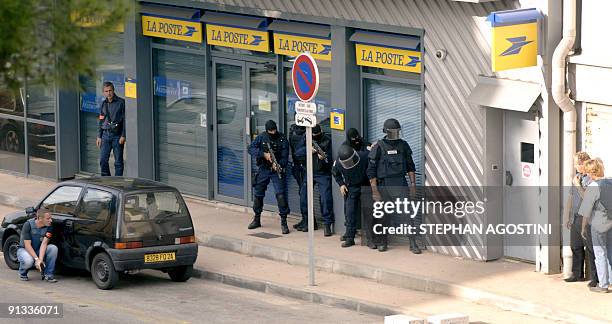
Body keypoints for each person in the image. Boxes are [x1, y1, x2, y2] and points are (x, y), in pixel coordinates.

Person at [367, 118, 418, 253]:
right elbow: (371, 172)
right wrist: (375, 191)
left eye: (397, 131)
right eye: (393, 132)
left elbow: (410, 166)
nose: (395, 134)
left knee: (408, 214)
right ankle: (382, 242)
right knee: (383, 215)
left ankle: (413, 243)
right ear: (386, 131)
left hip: (400, 183)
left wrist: (413, 184)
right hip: (384, 185)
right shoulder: (378, 147)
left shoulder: (404, 145)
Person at [248, 120, 291, 234]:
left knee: (281, 195)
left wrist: (278, 165)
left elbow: (285, 157)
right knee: (258, 193)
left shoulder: (282, 139)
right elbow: (250, 149)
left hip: (276, 170)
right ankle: (257, 218)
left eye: (274, 130)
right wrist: (263, 154)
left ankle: (284, 222)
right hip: (264, 169)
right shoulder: (262, 137)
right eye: (270, 131)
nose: (273, 132)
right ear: (267, 130)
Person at [564, 152, 598, 286]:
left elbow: (589, 199)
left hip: (587, 217)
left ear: (584, 163)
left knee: (591, 248)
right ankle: (577, 274)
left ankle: (596, 278)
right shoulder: (577, 178)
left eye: (576, 163)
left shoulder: (591, 180)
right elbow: (571, 198)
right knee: (575, 246)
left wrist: (578, 186)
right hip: (576, 217)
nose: (575, 166)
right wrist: (567, 216)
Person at [579, 158, 612, 293]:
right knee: (610, 252)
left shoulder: (593, 187)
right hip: (610, 222)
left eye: (587, 173)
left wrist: (582, 228)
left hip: (598, 224)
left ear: (590, 173)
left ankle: (603, 284)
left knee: (600, 253)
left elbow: (585, 211)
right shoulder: (610, 181)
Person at [332, 145, 370, 247]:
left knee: (369, 212)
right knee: (350, 213)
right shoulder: (339, 163)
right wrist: (341, 184)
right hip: (352, 187)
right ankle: (350, 237)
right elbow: (335, 172)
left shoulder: (364, 156)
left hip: (366, 186)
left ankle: (371, 238)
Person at [300, 124, 334, 236]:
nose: (316, 136)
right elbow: (297, 152)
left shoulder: (327, 140)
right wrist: (308, 150)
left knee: (325, 198)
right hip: (309, 172)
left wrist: (324, 158)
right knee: (304, 197)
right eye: (314, 135)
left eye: (317, 134)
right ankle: (308, 222)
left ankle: (327, 224)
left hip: (323, 173)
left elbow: (331, 158)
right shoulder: (307, 137)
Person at [16, 209, 58, 282]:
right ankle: (22, 272)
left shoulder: (49, 226)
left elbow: (44, 243)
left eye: (50, 218)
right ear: (40, 218)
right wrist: (36, 259)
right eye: (48, 218)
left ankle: (48, 275)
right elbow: (27, 245)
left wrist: (40, 260)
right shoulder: (28, 224)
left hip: (38, 249)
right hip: (24, 250)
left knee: (53, 248)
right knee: (29, 261)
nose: (51, 220)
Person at [288, 123, 314, 231]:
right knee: (302, 194)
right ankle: (305, 220)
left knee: (304, 195)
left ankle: (310, 222)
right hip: (298, 166)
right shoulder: (293, 130)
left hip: (306, 166)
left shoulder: (309, 131)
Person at [96, 81, 126, 176]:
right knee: (103, 160)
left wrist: (123, 135)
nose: (108, 93)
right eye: (106, 91)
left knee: (118, 162)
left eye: (110, 90)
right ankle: (106, 181)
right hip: (105, 135)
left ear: (113, 90)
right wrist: (99, 136)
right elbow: (101, 120)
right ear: (103, 92)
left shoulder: (121, 102)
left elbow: (125, 120)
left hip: (117, 136)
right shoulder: (103, 104)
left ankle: (118, 183)